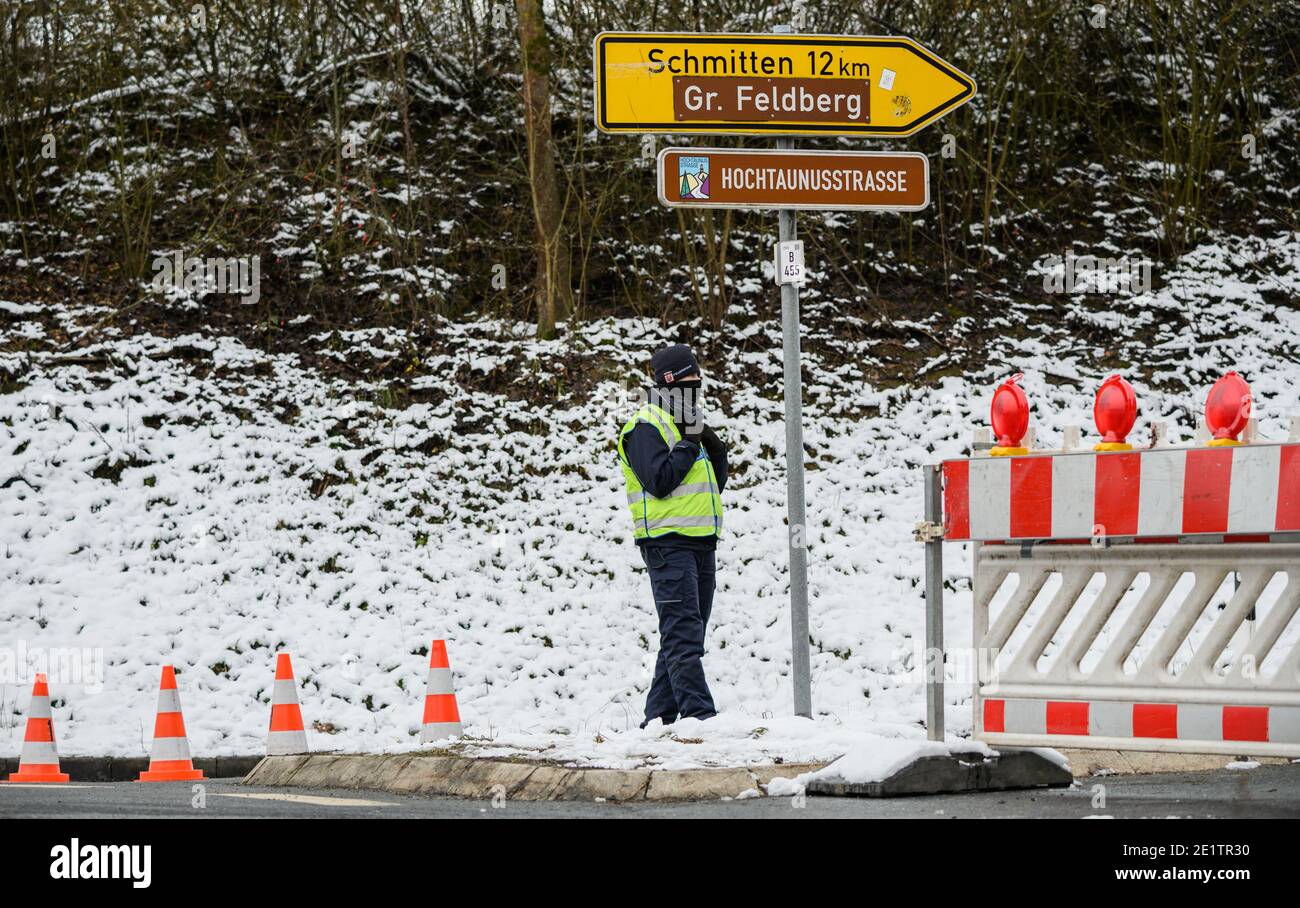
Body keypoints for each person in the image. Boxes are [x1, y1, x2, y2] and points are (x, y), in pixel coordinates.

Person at [616, 344, 728, 727]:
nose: (695, 388)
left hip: (700, 543)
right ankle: (702, 719)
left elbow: (711, 485)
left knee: (685, 637)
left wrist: (713, 449)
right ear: (667, 383)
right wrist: (689, 443)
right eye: (687, 382)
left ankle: (657, 722)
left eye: (698, 381)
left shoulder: (686, 422)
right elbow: (659, 481)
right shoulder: (646, 426)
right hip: (667, 545)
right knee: (683, 637)